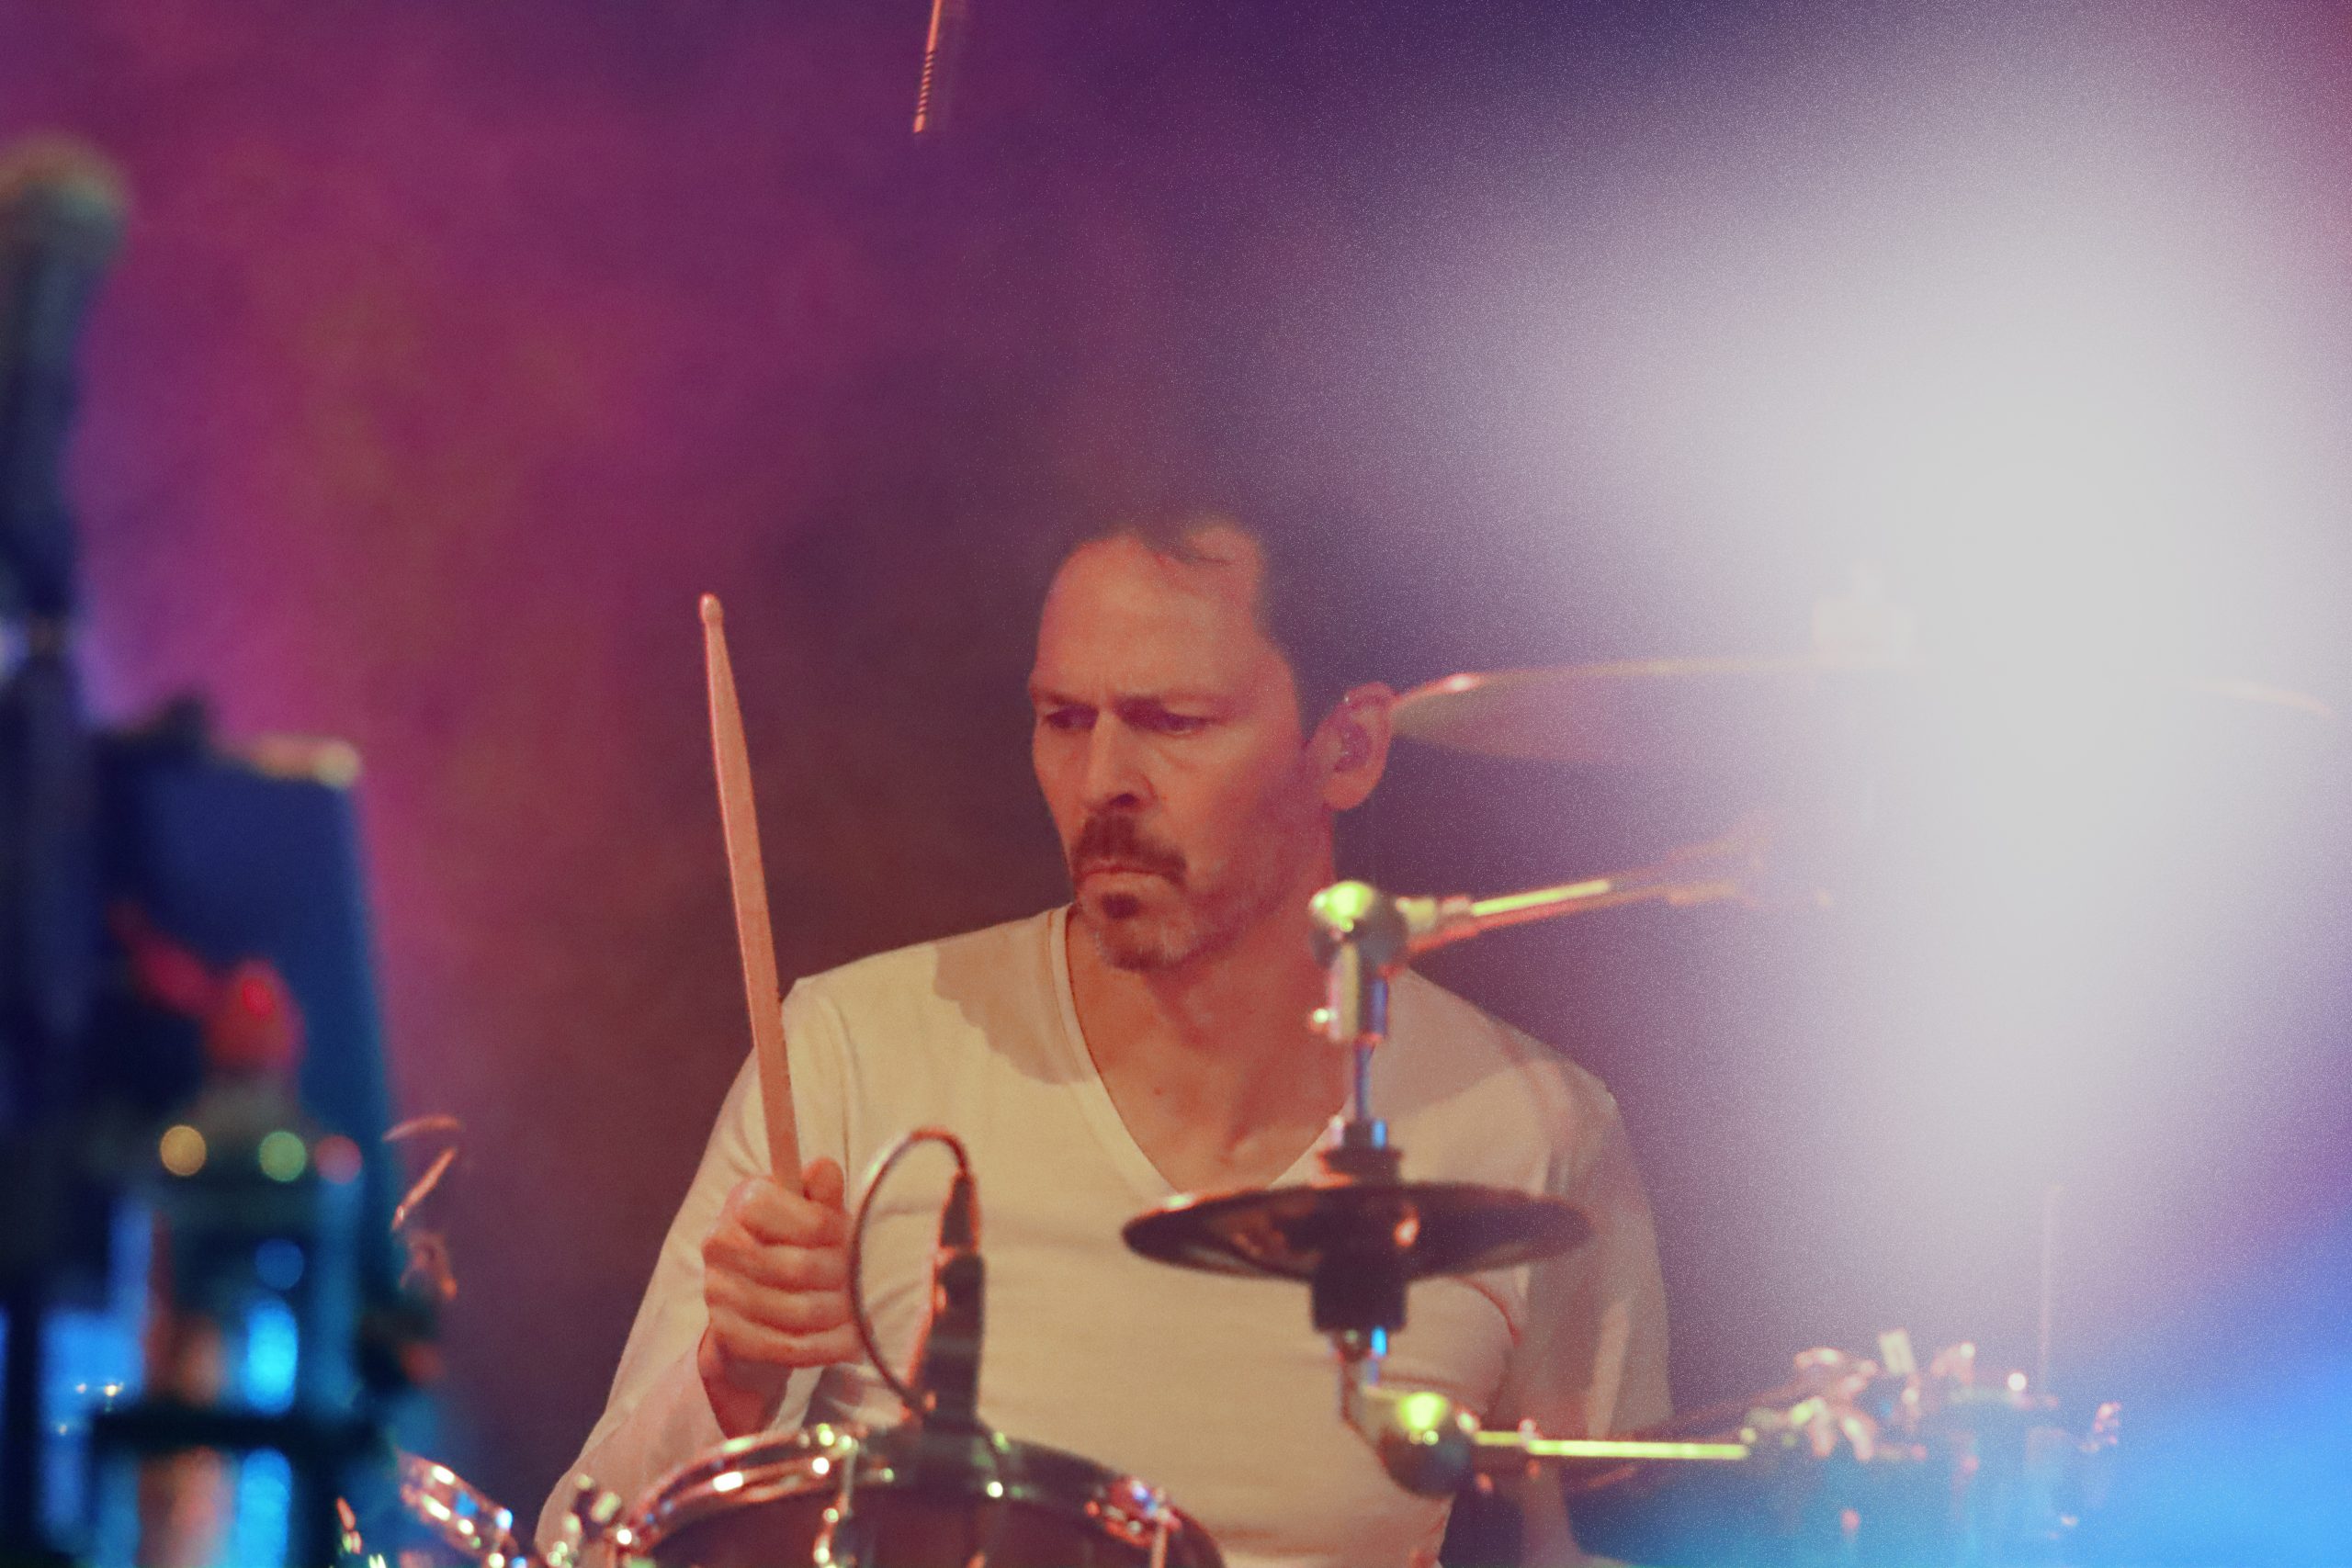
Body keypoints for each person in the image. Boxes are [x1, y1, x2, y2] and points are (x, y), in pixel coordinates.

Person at [537, 515, 1670, 1567]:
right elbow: (578, 1549)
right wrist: (729, 1387)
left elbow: (1612, 1549)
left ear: (1350, 749)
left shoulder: (1531, 1128)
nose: (1102, 783)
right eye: (1064, 721)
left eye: (1175, 723)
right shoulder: (850, 1055)